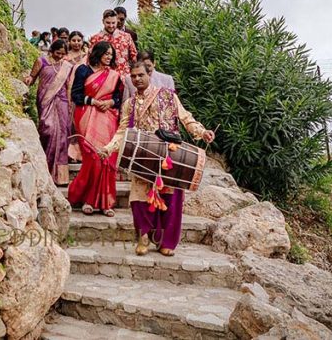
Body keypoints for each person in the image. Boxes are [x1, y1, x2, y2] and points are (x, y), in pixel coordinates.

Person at [101, 61, 215, 256]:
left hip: (169, 155)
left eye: (140, 75)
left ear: (149, 75)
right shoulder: (130, 104)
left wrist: (202, 132)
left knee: (171, 199)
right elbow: (122, 131)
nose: (137, 79)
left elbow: (186, 118)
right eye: (133, 76)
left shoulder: (168, 97)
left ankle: (165, 241)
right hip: (143, 155)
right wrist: (108, 148)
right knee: (139, 198)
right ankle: (143, 237)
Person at [67, 41, 123, 216]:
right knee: (93, 158)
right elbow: (76, 95)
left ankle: (105, 203)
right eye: (106, 53)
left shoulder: (114, 75)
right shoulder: (84, 70)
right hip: (86, 116)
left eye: (111, 54)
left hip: (107, 119)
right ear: (97, 53)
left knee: (106, 158)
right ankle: (88, 200)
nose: (109, 57)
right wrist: (94, 102)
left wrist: (110, 102)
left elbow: (118, 98)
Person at [24, 39, 74, 185]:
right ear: (52, 50)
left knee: (62, 134)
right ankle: (45, 169)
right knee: (48, 130)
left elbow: (68, 86)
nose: (60, 56)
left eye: (63, 54)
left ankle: (60, 176)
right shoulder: (42, 61)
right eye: (58, 53)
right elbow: (32, 78)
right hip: (46, 100)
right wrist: (27, 80)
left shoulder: (66, 66)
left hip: (62, 101)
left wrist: (69, 103)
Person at [89, 9, 138, 76]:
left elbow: (134, 57)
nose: (111, 26)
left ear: (117, 21)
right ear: (103, 21)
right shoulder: (95, 39)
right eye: (108, 23)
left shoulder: (126, 37)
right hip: (103, 78)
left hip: (124, 76)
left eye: (113, 23)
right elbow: (90, 60)